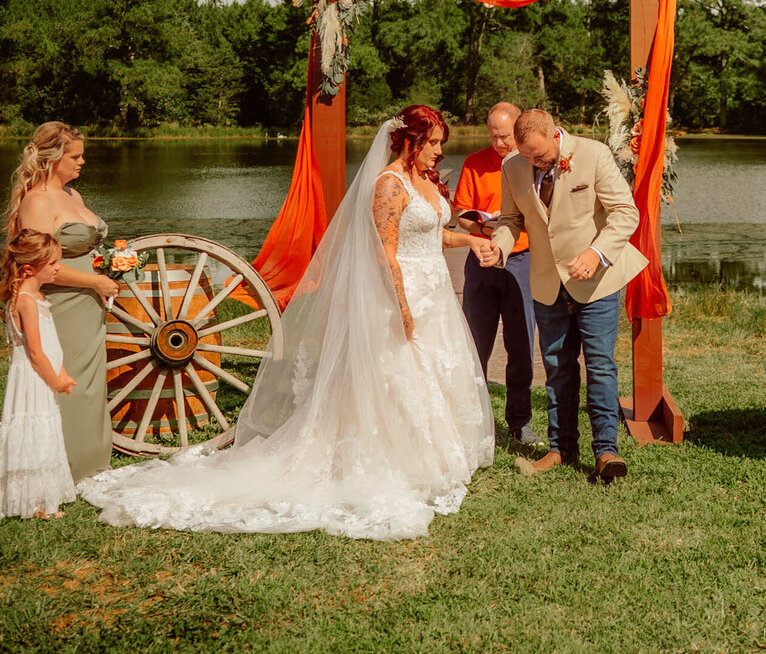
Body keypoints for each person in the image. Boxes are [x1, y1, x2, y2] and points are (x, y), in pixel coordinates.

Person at [79, 107, 494, 540]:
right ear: (408, 142)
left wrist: (470, 240)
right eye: (432, 144)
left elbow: (431, 233)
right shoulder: (388, 184)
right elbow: (384, 252)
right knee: (397, 374)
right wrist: (403, 307)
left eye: (440, 143)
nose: (439, 152)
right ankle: (395, 457)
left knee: (433, 370)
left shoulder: (424, 181)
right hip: (399, 295)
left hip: (435, 296)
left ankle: (435, 453)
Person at [485, 108, 645, 484]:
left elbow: (625, 212)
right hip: (546, 283)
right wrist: (500, 247)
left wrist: (596, 252)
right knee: (557, 367)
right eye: (526, 156)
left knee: (600, 365)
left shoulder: (594, 154)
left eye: (538, 156)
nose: (532, 163)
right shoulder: (513, 166)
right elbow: (511, 220)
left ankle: (607, 452)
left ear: (555, 135)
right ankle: (561, 449)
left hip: (597, 281)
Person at [7, 123, 119, 482]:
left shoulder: (74, 196)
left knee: (90, 382)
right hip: (61, 305)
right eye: (75, 155)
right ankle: (65, 467)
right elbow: (38, 264)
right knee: (67, 379)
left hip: (88, 304)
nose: (82, 161)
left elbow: (85, 248)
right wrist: (93, 280)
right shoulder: (37, 201)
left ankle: (93, 460)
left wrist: (114, 263)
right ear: (53, 158)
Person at [453, 101, 540, 444]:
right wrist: (480, 223)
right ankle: (472, 419)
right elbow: (462, 213)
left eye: (505, 136)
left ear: (519, 131)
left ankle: (519, 422)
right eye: (493, 136)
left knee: (521, 343)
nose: (499, 143)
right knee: (475, 342)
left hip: (522, 260)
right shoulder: (475, 163)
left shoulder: (531, 161)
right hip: (483, 258)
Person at [0, 230, 77, 519]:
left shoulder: (37, 295)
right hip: (34, 376)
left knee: (45, 434)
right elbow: (35, 351)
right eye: (53, 263)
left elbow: (51, 342)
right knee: (34, 432)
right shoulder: (26, 301)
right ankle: (32, 503)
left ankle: (41, 500)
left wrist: (63, 372)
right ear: (29, 268)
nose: (58, 267)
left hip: (42, 374)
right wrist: (55, 379)